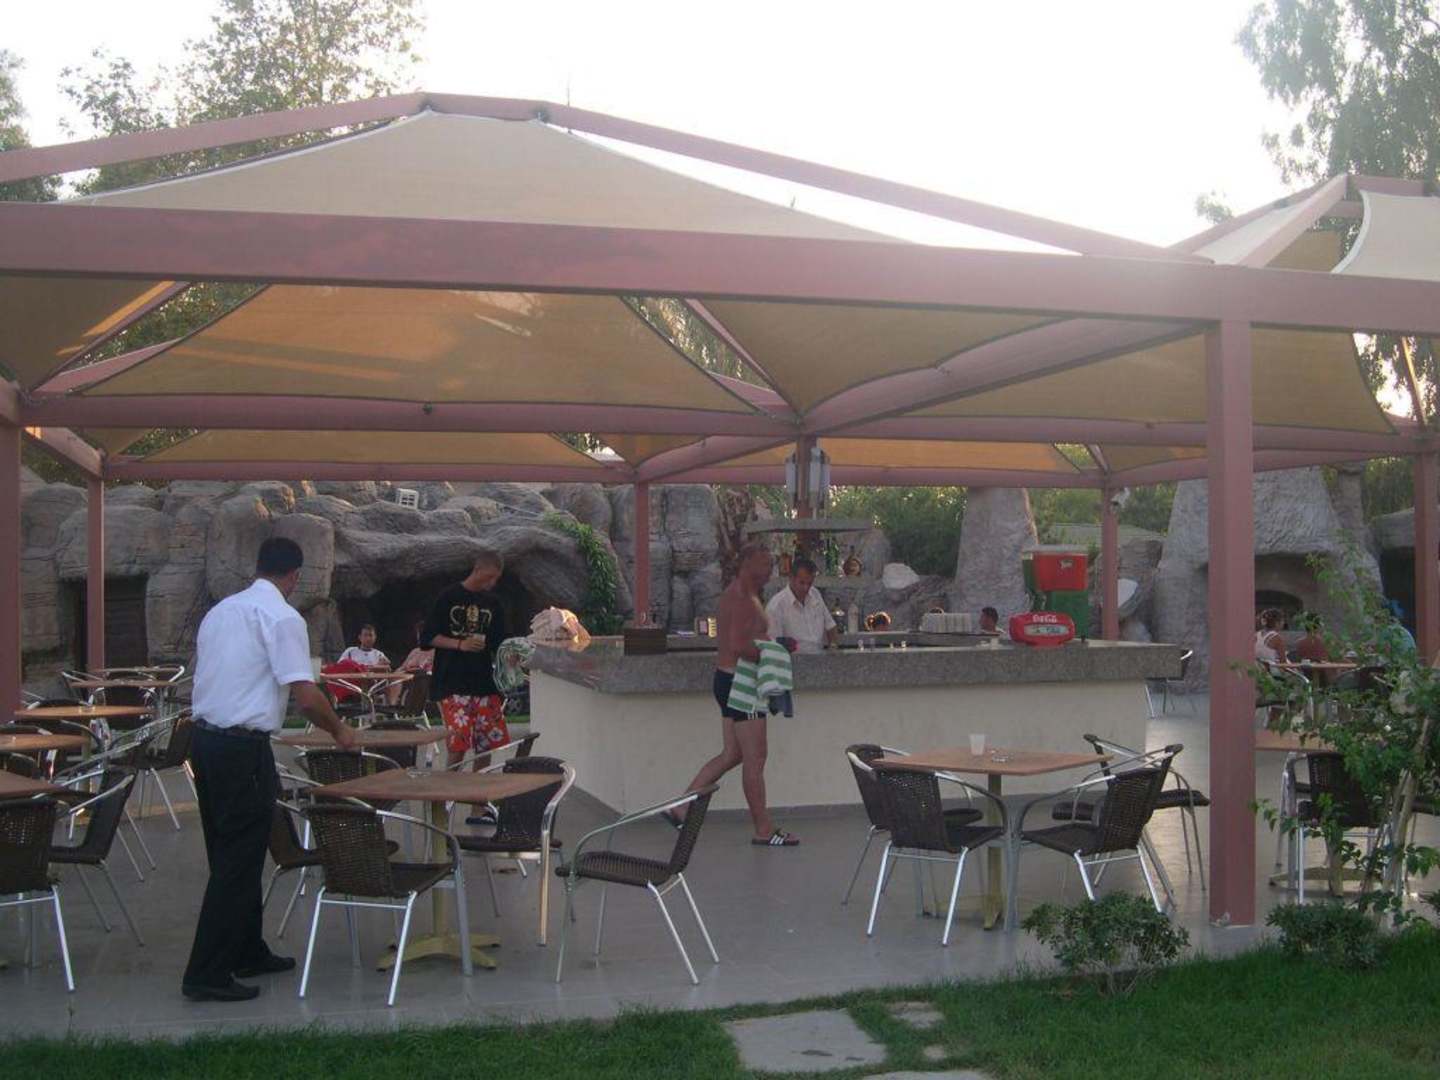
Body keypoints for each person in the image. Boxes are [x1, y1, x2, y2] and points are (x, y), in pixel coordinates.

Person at [182, 537, 356, 1003]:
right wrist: (340, 730)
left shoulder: (221, 612)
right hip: (242, 748)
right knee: (238, 860)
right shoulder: (282, 617)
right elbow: (305, 695)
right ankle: (206, 973)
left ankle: (247, 950)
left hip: (205, 742)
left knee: (231, 851)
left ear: (258, 567)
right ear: (295, 576)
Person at [675, 542, 798, 847]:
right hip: (740, 684)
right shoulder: (741, 597)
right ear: (748, 564)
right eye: (765, 564)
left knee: (732, 754)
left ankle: (682, 806)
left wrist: (768, 643)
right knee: (755, 757)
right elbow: (739, 645)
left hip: (726, 680)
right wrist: (773, 652)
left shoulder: (742, 593)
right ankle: (763, 829)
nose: (770, 570)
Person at [421, 551, 509, 770]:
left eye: (496, 578)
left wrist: (512, 654)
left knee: (487, 744)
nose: (492, 582)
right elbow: (428, 637)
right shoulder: (449, 597)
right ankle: (450, 788)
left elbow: (501, 641)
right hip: (452, 680)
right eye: (489, 576)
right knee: (458, 743)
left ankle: (479, 789)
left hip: (484, 682)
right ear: (477, 569)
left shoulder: (493, 603)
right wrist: (460, 644)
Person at [765, 557, 839, 654]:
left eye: (809, 583)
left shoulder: (815, 594)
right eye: (802, 583)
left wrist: (833, 646)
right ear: (791, 578)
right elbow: (772, 647)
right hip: (792, 661)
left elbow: (831, 626)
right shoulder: (776, 606)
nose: (805, 588)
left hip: (819, 658)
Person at [387, 619, 436, 705]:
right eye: (419, 634)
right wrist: (397, 672)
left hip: (423, 681)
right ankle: (392, 704)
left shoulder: (435, 652)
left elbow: (429, 670)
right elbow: (403, 666)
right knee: (394, 678)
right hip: (406, 679)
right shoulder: (415, 651)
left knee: (399, 680)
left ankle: (394, 704)